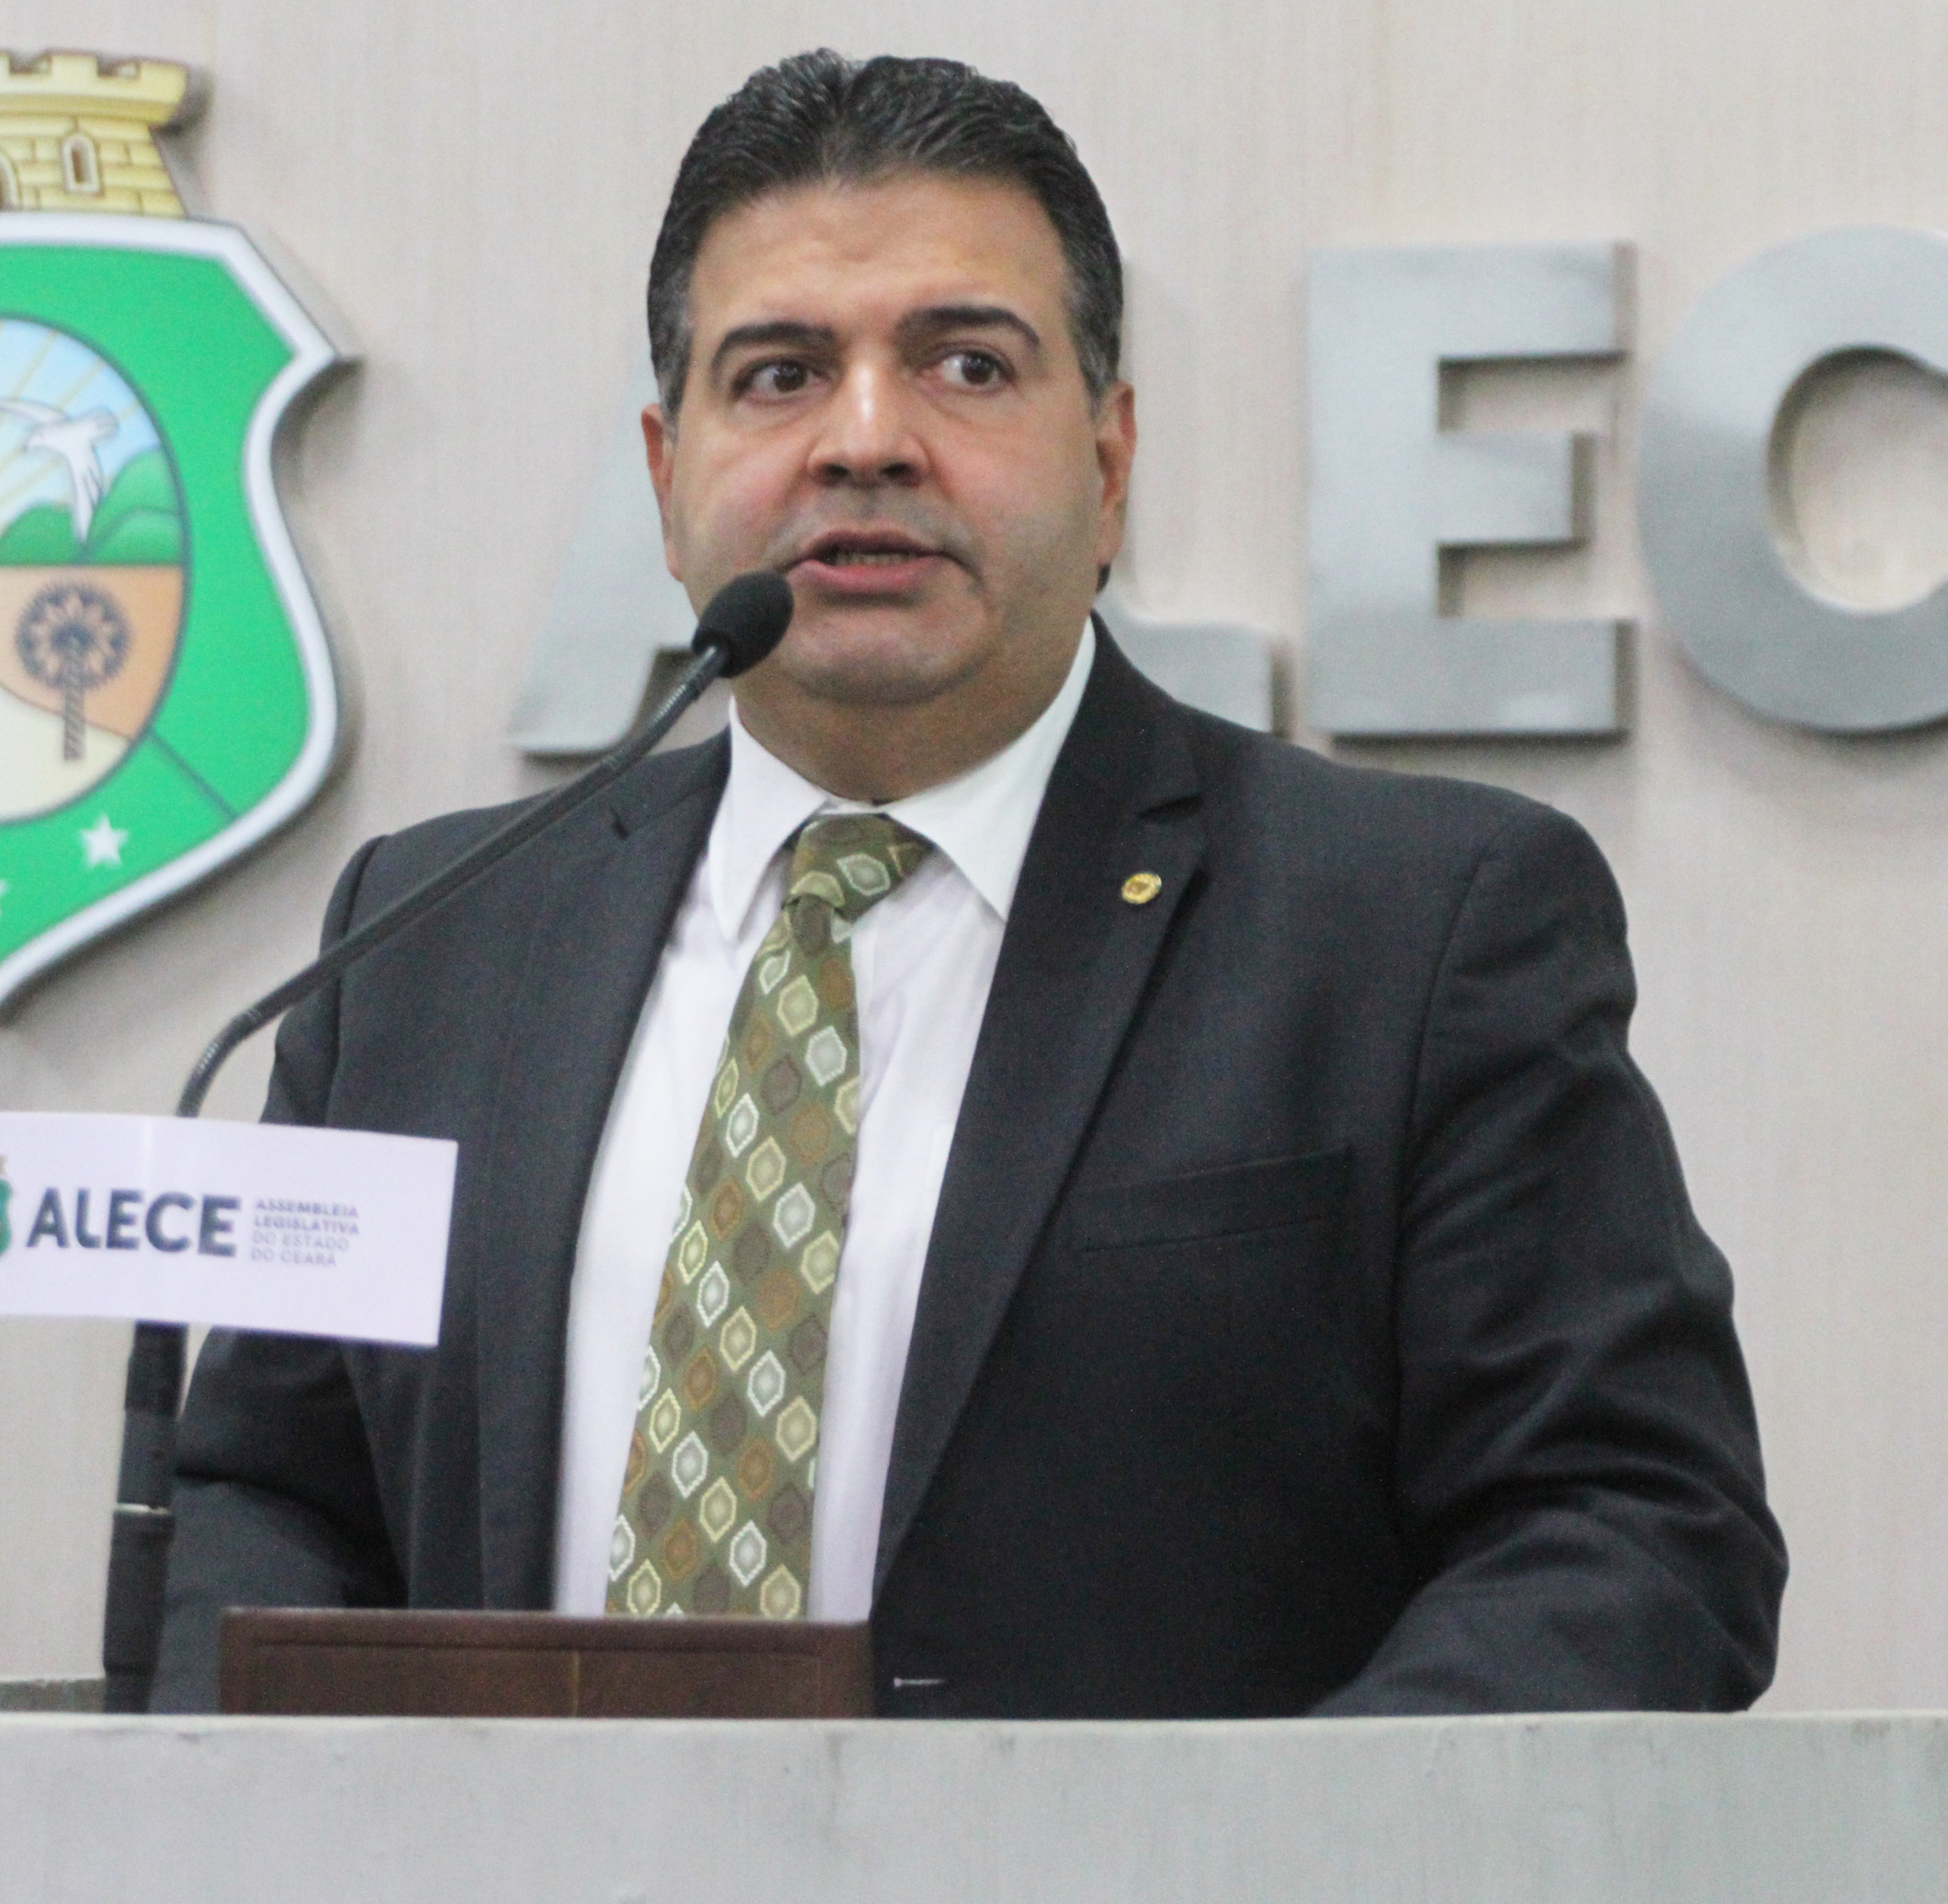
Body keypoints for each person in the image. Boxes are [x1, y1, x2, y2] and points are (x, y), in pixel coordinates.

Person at [153, 50, 1784, 1715]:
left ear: (1111, 461)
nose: (868, 441)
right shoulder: (429, 949)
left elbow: (1631, 1531)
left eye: (966, 365)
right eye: (780, 374)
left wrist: (1261, 1842)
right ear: (666, 476)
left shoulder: (1411, 932)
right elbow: (264, 1502)